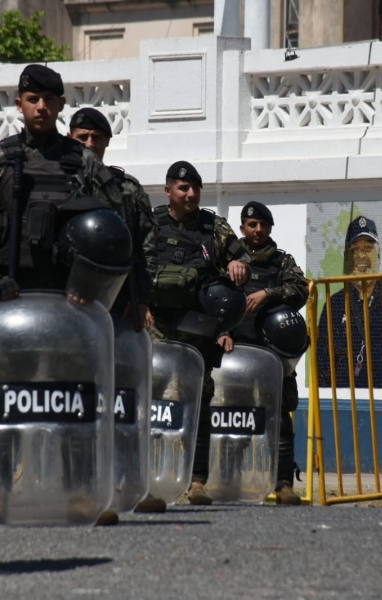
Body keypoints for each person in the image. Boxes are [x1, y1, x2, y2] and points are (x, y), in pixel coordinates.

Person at [0, 68, 143, 527]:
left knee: (75, 399)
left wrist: (93, 288)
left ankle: (81, 493)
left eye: (49, 100)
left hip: (70, 304)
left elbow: (115, 228)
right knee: (4, 398)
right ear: (19, 103)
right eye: (32, 99)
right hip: (11, 300)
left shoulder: (83, 163)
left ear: (61, 105)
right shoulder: (0, 160)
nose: (41, 107)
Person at [68, 107, 162, 513]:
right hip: (68, 309)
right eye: (81, 137)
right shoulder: (58, 179)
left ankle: (129, 484)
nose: (89, 145)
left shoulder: (127, 189)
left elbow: (144, 249)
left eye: (96, 138)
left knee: (125, 401)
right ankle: (77, 486)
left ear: (107, 142)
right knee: (74, 399)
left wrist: (143, 302)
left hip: (119, 310)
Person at [148, 160, 251, 505]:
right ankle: (148, 477)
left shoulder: (213, 227)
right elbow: (134, 266)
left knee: (199, 403)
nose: (190, 194)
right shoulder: (151, 223)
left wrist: (238, 265)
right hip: (157, 327)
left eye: (195, 188)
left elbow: (242, 260)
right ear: (168, 191)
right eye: (182, 188)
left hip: (198, 329)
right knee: (154, 402)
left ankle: (196, 481)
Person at [222, 201, 308, 505]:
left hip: (273, 355)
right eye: (251, 224)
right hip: (237, 355)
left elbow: (300, 289)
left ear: (270, 227)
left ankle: (283, 484)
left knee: (280, 420)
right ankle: (229, 480)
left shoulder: (282, 262)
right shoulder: (229, 262)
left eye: (262, 225)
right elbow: (214, 297)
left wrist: (267, 294)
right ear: (243, 228)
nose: (257, 230)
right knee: (234, 418)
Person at [315, 216, 382, 390]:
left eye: (368, 248)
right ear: (347, 257)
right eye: (355, 249)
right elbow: (323, 360)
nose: (361, 254)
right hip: (345, 400)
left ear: (378, 254)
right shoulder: (334, 304)